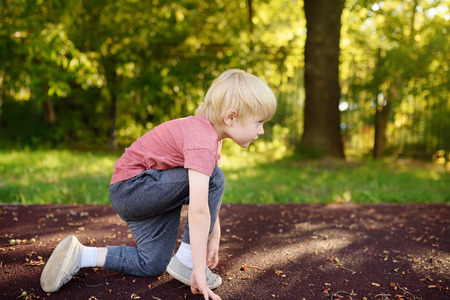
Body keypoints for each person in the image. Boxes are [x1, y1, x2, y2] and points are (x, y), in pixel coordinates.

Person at [40, 69, 277, 300]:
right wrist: (195, 267)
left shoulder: (208, 137)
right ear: (231, 118)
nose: (261, 130)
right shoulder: (202, 140)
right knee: (216, 176)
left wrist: (214, 233)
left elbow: (204, 198)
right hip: (133, 188)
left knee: (153, 264)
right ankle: (185, 260)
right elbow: (198, 208)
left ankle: (81, 255)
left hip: (145, 192)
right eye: (258, 122)